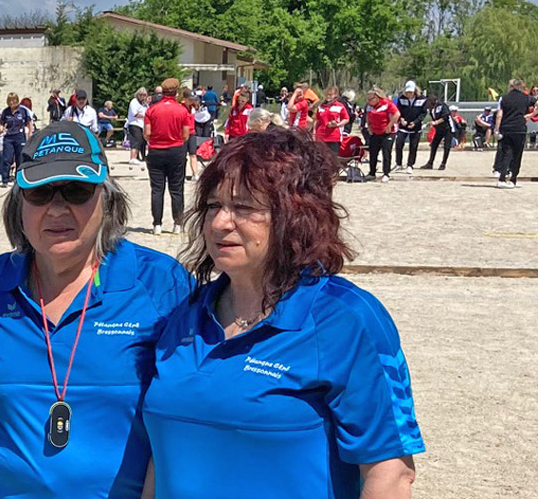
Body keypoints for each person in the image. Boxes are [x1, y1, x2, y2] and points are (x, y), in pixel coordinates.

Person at [142, 127, 424, 498]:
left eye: (244, 207)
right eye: (213, 205)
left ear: (297, 214)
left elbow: (389, 471)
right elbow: (160, 460)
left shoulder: (346, 319)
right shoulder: (186, 316)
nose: (221, 222)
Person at [0, 121, 190, 499]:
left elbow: (191, 415)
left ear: (106, 199)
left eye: (76, 191)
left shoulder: (160, 283)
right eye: (40, 193)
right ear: (19, 203)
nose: (57, 208)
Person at [143, 78, 192, 235]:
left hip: (156, 150)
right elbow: (186, 135)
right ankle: (177, 223)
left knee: (157, 189)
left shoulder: (151, 110)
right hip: (176, 150)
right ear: (176, 92)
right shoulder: (182, 110)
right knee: (176, 188)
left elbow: (147, 134)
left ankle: (157, 224)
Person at [493, 78, 538, 188]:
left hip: (506, 127)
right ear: (520, 86)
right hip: (520, 128)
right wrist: (532, 115)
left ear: (511, 86)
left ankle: (502, 178)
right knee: (517, 154)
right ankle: (513, 179)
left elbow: (499, 115)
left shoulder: (503, 98)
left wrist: (496, 130)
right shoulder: (526, 98)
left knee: (506, 152)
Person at [392, 81, 427, 174]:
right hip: (403, 126)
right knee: (399, 144)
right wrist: (401, 119)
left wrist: (415, 122)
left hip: (416, 127)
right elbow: (398, 111)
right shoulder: (401, 98)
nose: (409, 94)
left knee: (413, 146)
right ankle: (398, 164)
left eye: (411, 92)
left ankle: (410, 165)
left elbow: (423, 113)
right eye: (407, 92)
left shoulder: (422, 99)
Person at [0, 92, 33, 187]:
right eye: (10, 100)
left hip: (19, 136)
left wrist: (30, 134)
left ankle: (18, 180)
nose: (12, 102)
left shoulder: (23, 110)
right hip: (8, 137)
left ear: (17, 100)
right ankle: (5, 180)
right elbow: (1, 122)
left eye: (14, 100)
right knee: (7, 158)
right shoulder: (6, 112)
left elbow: (29, 122)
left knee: (20, 159)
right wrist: (2, 129)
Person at [312, 86, 351, 155]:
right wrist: (314, 133)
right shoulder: (321, 106)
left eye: (330, 94)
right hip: (320, 136)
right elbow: (316, 120)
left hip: (334, 136)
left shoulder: (340, 106)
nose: (328, 96)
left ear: (335, 95)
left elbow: (346, 119)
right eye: (327, 94)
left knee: (332, 159)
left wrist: (337, 124)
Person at [422, 95, 456, 170]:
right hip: (439, 129)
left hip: (448, 128)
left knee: (446, 146)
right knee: (434, 145)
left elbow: (445, 117)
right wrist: (431, 123)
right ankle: (430, 163)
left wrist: (436, 122)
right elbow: (434, 118)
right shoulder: (431, 109)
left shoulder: (442, 106)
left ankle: (443, 163)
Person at [188, 95, 214, 179]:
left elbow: (213, 105)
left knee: (206, 135)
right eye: (194, 101)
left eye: (197, 101)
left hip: (206, 120)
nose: (195, 102)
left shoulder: (204, 105)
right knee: (198, 135)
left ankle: (205, 150)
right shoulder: (191, 107)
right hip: (197, 121)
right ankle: (199, 150)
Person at [126, 88, 149, 166]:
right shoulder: (134, 102)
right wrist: (146, 116)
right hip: (134, 124)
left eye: (144, 95)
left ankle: (142, 157)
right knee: (136, 141)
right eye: (141, 94)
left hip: (142, 125)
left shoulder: (144, 104)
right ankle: (133, 158)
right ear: (137, 94)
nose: (143, 96)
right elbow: (135, 114)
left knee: (143, 141)